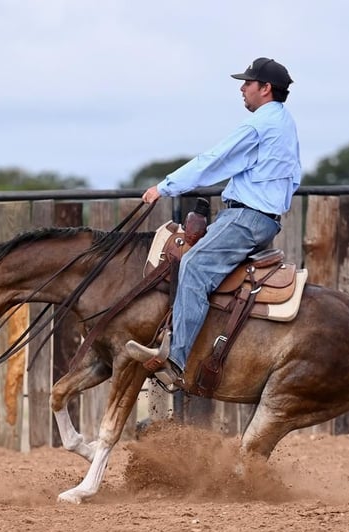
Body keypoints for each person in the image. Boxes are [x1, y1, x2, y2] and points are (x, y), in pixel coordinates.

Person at [125, 57, 301, 386]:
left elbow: (214, 160)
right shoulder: (284, 123)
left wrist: (164, 187)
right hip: (259, 217)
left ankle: (175, 360)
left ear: (265, 89)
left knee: (191, 265)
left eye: (248, 83)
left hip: (246, 217)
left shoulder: (259, 125)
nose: (242, 88)